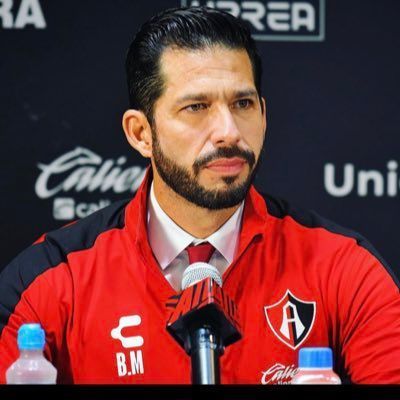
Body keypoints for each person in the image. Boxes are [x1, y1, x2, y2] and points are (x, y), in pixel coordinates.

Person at [0, 6, 400, 385]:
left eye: (243, 103)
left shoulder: (345, 268)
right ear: (141, 133)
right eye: (196, 107)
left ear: (263, 115)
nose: (229, 131)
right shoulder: (50, 280)